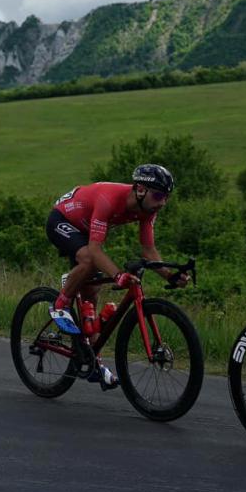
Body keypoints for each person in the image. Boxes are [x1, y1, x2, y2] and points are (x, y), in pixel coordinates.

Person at [44, 163, 183, 386]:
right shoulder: (109, 199)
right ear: (140, 190)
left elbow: (148, 250)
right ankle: (61, 303)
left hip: (86, 228)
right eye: (158, 195)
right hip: (62, 220)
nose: (163, 202)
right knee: (89, 259)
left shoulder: (148, 209)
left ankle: (94, 361)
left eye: (166, 197)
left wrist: (170, 276)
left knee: (92, 292)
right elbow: (96, 250)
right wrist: (118, 275)